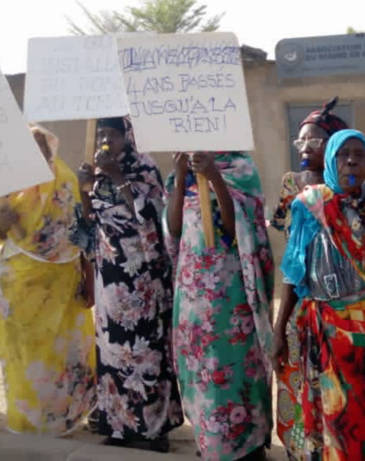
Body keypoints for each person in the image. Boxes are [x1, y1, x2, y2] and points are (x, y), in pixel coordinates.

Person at [274, 129, 365, 460]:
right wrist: (279, 329)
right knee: (333, 425)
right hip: (325, 337)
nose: (352, 160)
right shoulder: (308, 207)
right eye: (344, 154)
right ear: (331, 159)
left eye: (359, 154)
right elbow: (293, 272)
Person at [70, 116, 183, 452]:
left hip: (143, 279)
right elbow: (86, 230)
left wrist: (119, 179)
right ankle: (119, 427)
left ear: (128, 138)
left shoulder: (144, 170)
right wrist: (83, 190)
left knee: (144, 353)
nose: (105, 140)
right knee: (112, 353)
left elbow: (153, 220)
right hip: (110, 278)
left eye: (112, 134)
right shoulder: (94, 174)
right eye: (100, 134)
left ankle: (152, 430)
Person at [163, 150, 275, 461]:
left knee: (234, 364)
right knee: (199, 368)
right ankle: (209, 441)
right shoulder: (178, 176)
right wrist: (182, 176)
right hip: (192, 293)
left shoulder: (240, 168)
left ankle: (245, 447)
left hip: (231, 292)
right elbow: (172, 231)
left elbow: (234, 232)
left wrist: (214, 179)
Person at [0, 125, 96, 436]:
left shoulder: (65, 180)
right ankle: (27, 423)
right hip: (18, 289)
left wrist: (88, 274)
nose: (39, 153)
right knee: (25, 356)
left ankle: (64, 421)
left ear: (51, 147)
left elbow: (80, 231)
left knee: (63, 353)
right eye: (30, 146)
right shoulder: (7, 185)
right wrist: (1, 226)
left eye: (42, 146)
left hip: (62, 286)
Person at [268, 96, 348, 459]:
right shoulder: (291, 187)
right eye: (300, 141)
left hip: (340, 314)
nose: (304, 149)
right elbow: (291, 260)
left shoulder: (350, 190)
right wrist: (280, 324)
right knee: (297, 390)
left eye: (313, 143)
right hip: (299, 309)